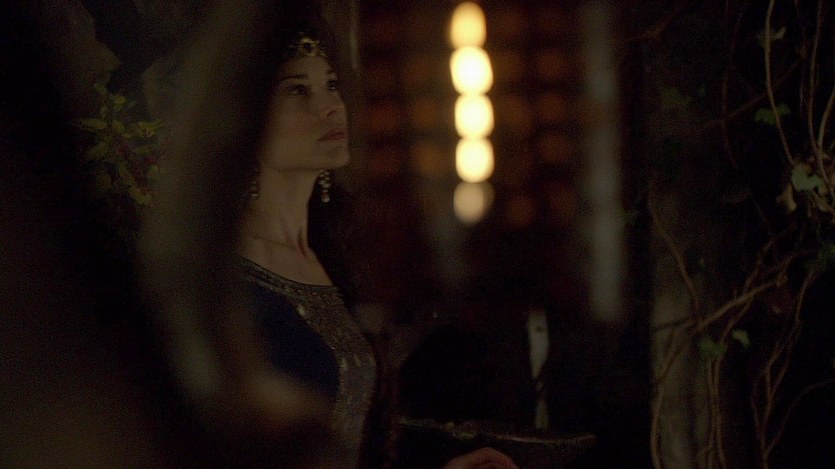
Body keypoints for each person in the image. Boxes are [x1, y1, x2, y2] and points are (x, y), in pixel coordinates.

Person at [235, 6, 519, 469]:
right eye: (297, 90)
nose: (331, 105)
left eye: (331, 85)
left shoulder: (338, 252)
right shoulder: (225, 278)